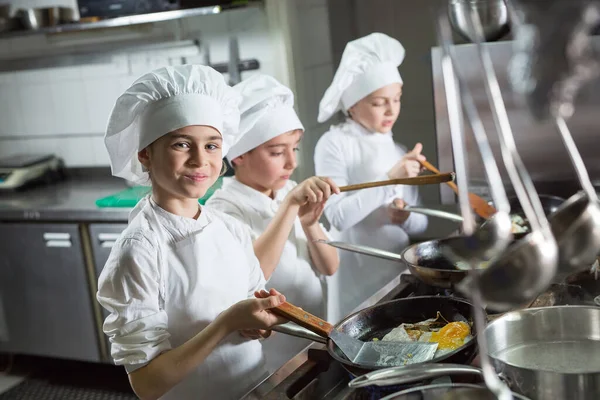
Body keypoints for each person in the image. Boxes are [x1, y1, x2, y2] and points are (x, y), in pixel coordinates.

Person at [96, 65, 332, 400]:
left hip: (257, 388)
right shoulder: (139, 250)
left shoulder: (228, 228)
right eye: (181, 144)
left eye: (211, 145)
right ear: (145, 154)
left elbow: (248, 313)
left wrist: (255, 323)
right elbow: (147, 383)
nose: (200, 160)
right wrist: (226, 323)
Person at [207, 74, 340, 372]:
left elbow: (330, 266)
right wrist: (290, 206)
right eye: (278, 152)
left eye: (293, 149)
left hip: (315, 343)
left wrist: (309, 223)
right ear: (239, 155)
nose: (291, 163)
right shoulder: (224, 209)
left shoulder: (287, 190)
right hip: (272, 356)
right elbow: (250, 277)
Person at [314, 32, 429, 323]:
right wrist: (390, 180)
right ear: (353, 104)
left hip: (396, 267)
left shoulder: (397, 149)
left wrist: (405, 216)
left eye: (397, 99)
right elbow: (337, 216)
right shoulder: (334, 144)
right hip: (355, 272)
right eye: (379, 102)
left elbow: (421, 222)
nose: (391, 110)